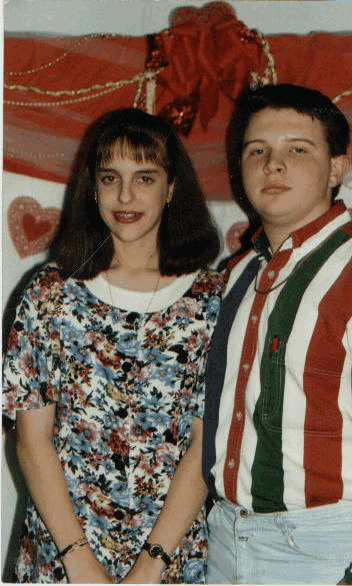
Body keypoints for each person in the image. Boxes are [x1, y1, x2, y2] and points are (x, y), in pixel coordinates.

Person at [2, 107, 224, 584]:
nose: (125, 196)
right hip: (60, 557)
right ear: (93, 188)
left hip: (171, 559)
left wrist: (150, 567)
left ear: (171, 188)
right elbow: (32, 439)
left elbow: (204, 446)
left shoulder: (212, 301)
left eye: (145, 178)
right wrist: (77, 560)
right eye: (110, 178)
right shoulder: (50, 294)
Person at [203, 83, 352, 585]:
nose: (273, 165)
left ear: (336, 168)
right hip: (223, 540)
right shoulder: (239, 273)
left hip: (322, 552)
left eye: (297, 150)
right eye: (257, 151)